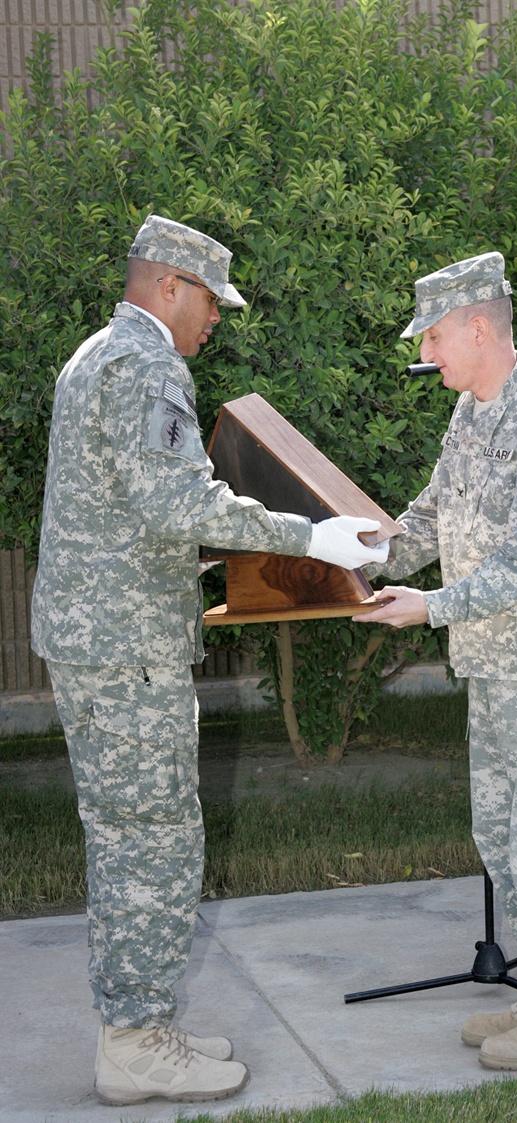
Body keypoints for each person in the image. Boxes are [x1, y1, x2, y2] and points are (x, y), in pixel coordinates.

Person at [30, 214, 387, 1107]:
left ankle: (137, 1023)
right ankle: (137, 1040)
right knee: (150, 839)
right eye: (209, 302)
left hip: (97, 637)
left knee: (126, 833)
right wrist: (311, 533)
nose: (215, 320)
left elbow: (122, 512)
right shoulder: (147, 366)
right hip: (127, 648)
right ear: (168, 287)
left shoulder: (93, 356)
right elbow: (176, 503)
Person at [354, 251, 517, 1072]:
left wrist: (429, 607)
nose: (425, 352)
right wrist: (360, 556)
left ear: (477, 328)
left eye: (433, 336)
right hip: (497, 675)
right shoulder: (473, 411)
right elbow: (432, 515)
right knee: (503, 837)